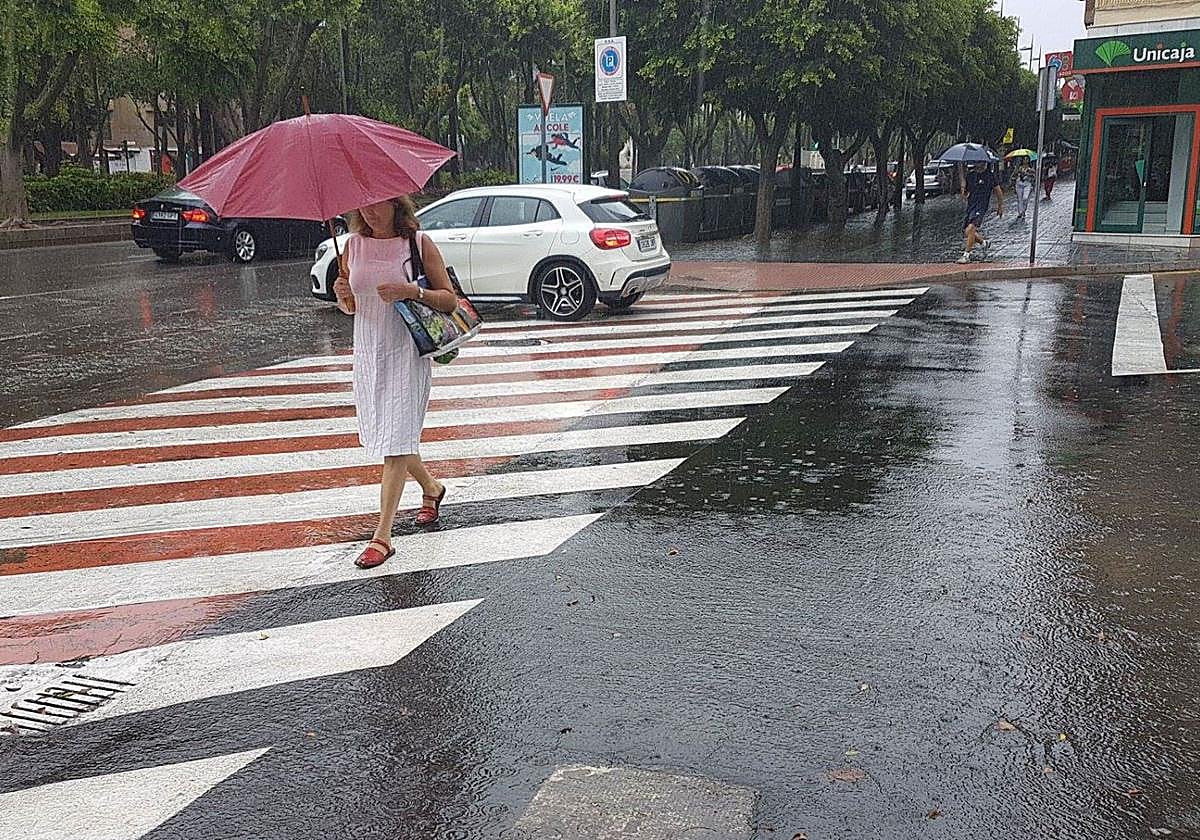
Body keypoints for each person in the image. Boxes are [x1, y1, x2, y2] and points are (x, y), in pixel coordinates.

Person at [332, 196, 460, 569]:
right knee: (393, 436)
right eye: (362, 207)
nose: (369, 212)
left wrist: (411, 291)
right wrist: (344, 298)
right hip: (369, 353)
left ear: (396, 205)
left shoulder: (417, 243)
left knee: (396, 440)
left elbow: (448, 300)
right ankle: (432, 489)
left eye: (377, 205)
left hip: (407, 351)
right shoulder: (352, 247)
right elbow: (353, 306)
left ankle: (382, 537)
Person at [956, 162, 1004, 264]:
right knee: (967, 231)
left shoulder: (990, 176)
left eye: (983, 162)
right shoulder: (970, 175)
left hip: (981, 206)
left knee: (971, 228)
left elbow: (998, 191)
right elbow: (966, 194)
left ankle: (966, 255)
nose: (982, 164)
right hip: (971, 206)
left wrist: (1000, 206)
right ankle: (984, 242)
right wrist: (963, 188)